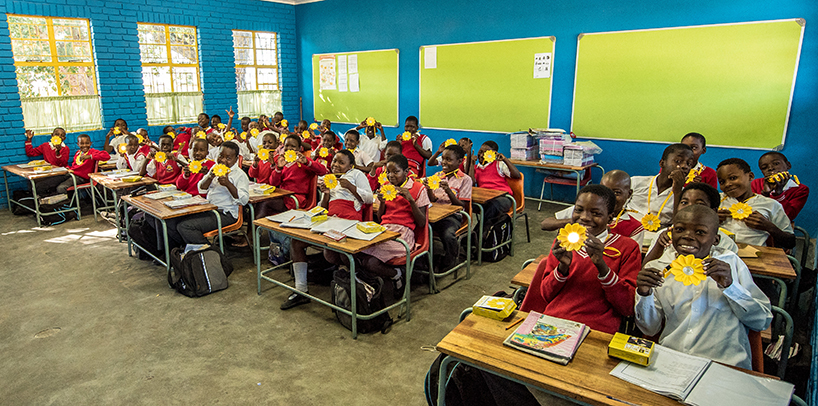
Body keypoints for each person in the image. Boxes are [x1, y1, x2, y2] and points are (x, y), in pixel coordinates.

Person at [635, 205, 772, 370]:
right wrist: (644, 293)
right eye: (679, 229)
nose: (687, 236)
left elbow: (761, 321)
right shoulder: (659, 267)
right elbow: (650, 329)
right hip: (672, 359)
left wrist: (730, 286)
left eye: (700, 232)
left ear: (715, 239)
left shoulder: (730, 263)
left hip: (724, 365)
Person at [283, 150, 374, 310]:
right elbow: (324, 207)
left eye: (341, 163)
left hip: (349, 221)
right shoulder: (330, 179)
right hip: (331, 219)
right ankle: (301, 290)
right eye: (334, 162)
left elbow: (369, 198)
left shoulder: (356, 174)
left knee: (336, 253)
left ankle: (355, 282)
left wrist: (352, 188)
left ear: (350, 166)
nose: (336, 165)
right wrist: (325, 194)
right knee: (296, 241)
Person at [355, 154, 429, 295]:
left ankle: (396, 274)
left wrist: (411, 201)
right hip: (385, 230)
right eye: (388, 172)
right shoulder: (386, 187)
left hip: (403, 235)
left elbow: (421, 222)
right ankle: (371, 286)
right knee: (358, 252)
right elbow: (381, 216)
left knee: (371, 262)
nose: (391, 175)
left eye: (396, 171)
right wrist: (382, 202)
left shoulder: (418, 188)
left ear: (406, 172)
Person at [165, 142, 249, 247]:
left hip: (226, 214)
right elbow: (201, 189)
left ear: (236, 159)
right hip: (209, 208)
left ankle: (208, 252)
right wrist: (210, 177)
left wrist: (228, 184)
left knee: (186, 226)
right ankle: (188, 249)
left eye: (228, 158)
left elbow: (244, 200)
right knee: (171, 221)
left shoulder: (239, 175)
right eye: (220, 156)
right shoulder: (215, 167)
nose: (223, 160)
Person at [265, 134, 329, 264]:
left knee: (265, 204)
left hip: (297, 199)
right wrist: (278, 167)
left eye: (293, 146)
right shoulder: (282, 160)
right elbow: (273, 182)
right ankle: (274, 244)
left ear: (299, 148)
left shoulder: (303, 162)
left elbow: (323, 171)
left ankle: (258, 233)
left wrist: (308, 162)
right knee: (264, 204)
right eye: (287, 146)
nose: (289, 149)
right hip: (283, 196)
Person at [643, 182, 739, 265]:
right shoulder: (664, 235)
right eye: (684, 202)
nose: (690, 207)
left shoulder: (726, 243)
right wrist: (659, 246)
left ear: (713, 211)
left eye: (699, 204)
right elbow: (646, 269)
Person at [542, 170, 645, 246]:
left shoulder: (635, 227)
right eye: (604, 190)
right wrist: (575, 221)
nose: (609, 197)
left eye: (617, 193)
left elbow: (632, 258)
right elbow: (545, 224)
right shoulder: (582, 211)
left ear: (629, 194)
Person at [717, 158, 795, 248]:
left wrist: (769, 227)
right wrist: (711, 219)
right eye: (722, 182)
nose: (727, 184)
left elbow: (790, 243)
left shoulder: (770, 204)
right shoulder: (716, 199)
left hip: (754, 256)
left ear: (750, 176)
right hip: (719, 252)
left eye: (733, 178)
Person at [626, 143, 693, 238]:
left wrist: (677, 191)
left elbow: (679, 225)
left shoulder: (686, 195)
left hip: (657, 240)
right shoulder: (636, 182)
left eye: (689, 163)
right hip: (627, 234)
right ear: (662, 163)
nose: (684, 166)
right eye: (678, 161)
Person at [422, 144, 472, 272]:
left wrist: (449, 191)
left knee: (448, 235)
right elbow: (433, 200)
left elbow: (462, 205)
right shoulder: (438, 175)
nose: (444, 162)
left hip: (453, 216)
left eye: (449, 159)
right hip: (435, 214)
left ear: (460, 161)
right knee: (421, 230)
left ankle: (450, 260)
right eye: (443, 159)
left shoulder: (465, 179)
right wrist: (428, 189)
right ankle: (427, 261)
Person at [470, 140, 521, 231]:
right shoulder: (476, 167)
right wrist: (471, 164)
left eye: (485, 153)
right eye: (480, 152)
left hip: (503, 198)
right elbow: (471, 183)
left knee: (492, 207)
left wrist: (505, 159)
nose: (481, 155)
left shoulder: (499, 165)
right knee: (466, 204)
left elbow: (516, 175)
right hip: (484, 198)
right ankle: (479, 235)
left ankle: (478, 234)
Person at [751, 151, 809, 221]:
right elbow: (751, 211)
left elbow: (787, 217)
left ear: (788, 165)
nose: (770, 168)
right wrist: (765, 194)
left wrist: (779, 195)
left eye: (776, 164)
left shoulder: (800, 189)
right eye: (764, 167)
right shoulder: (755, 183)